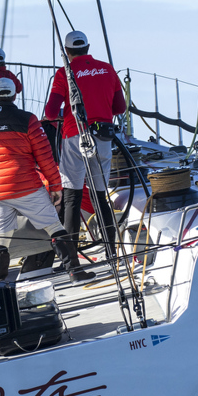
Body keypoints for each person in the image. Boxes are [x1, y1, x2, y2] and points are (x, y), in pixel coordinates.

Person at [0, 78, 94, 284]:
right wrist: (55, 186)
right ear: (14, 95)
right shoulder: (27, 120)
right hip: (26, 186)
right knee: (54, 227)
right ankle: (74, 271)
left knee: (1, 238)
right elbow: (45, 156)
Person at [44, 30, 127, 258]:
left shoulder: (65, 73)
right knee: (100, 196)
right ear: (88, 47)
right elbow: (120, 107)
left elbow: (50, 113)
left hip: (74, 137)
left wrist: (66, 114)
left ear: (67, 52)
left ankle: (71, 260)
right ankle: (112, 252)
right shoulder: (108, 69)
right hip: (102, 139)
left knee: (72, 197)